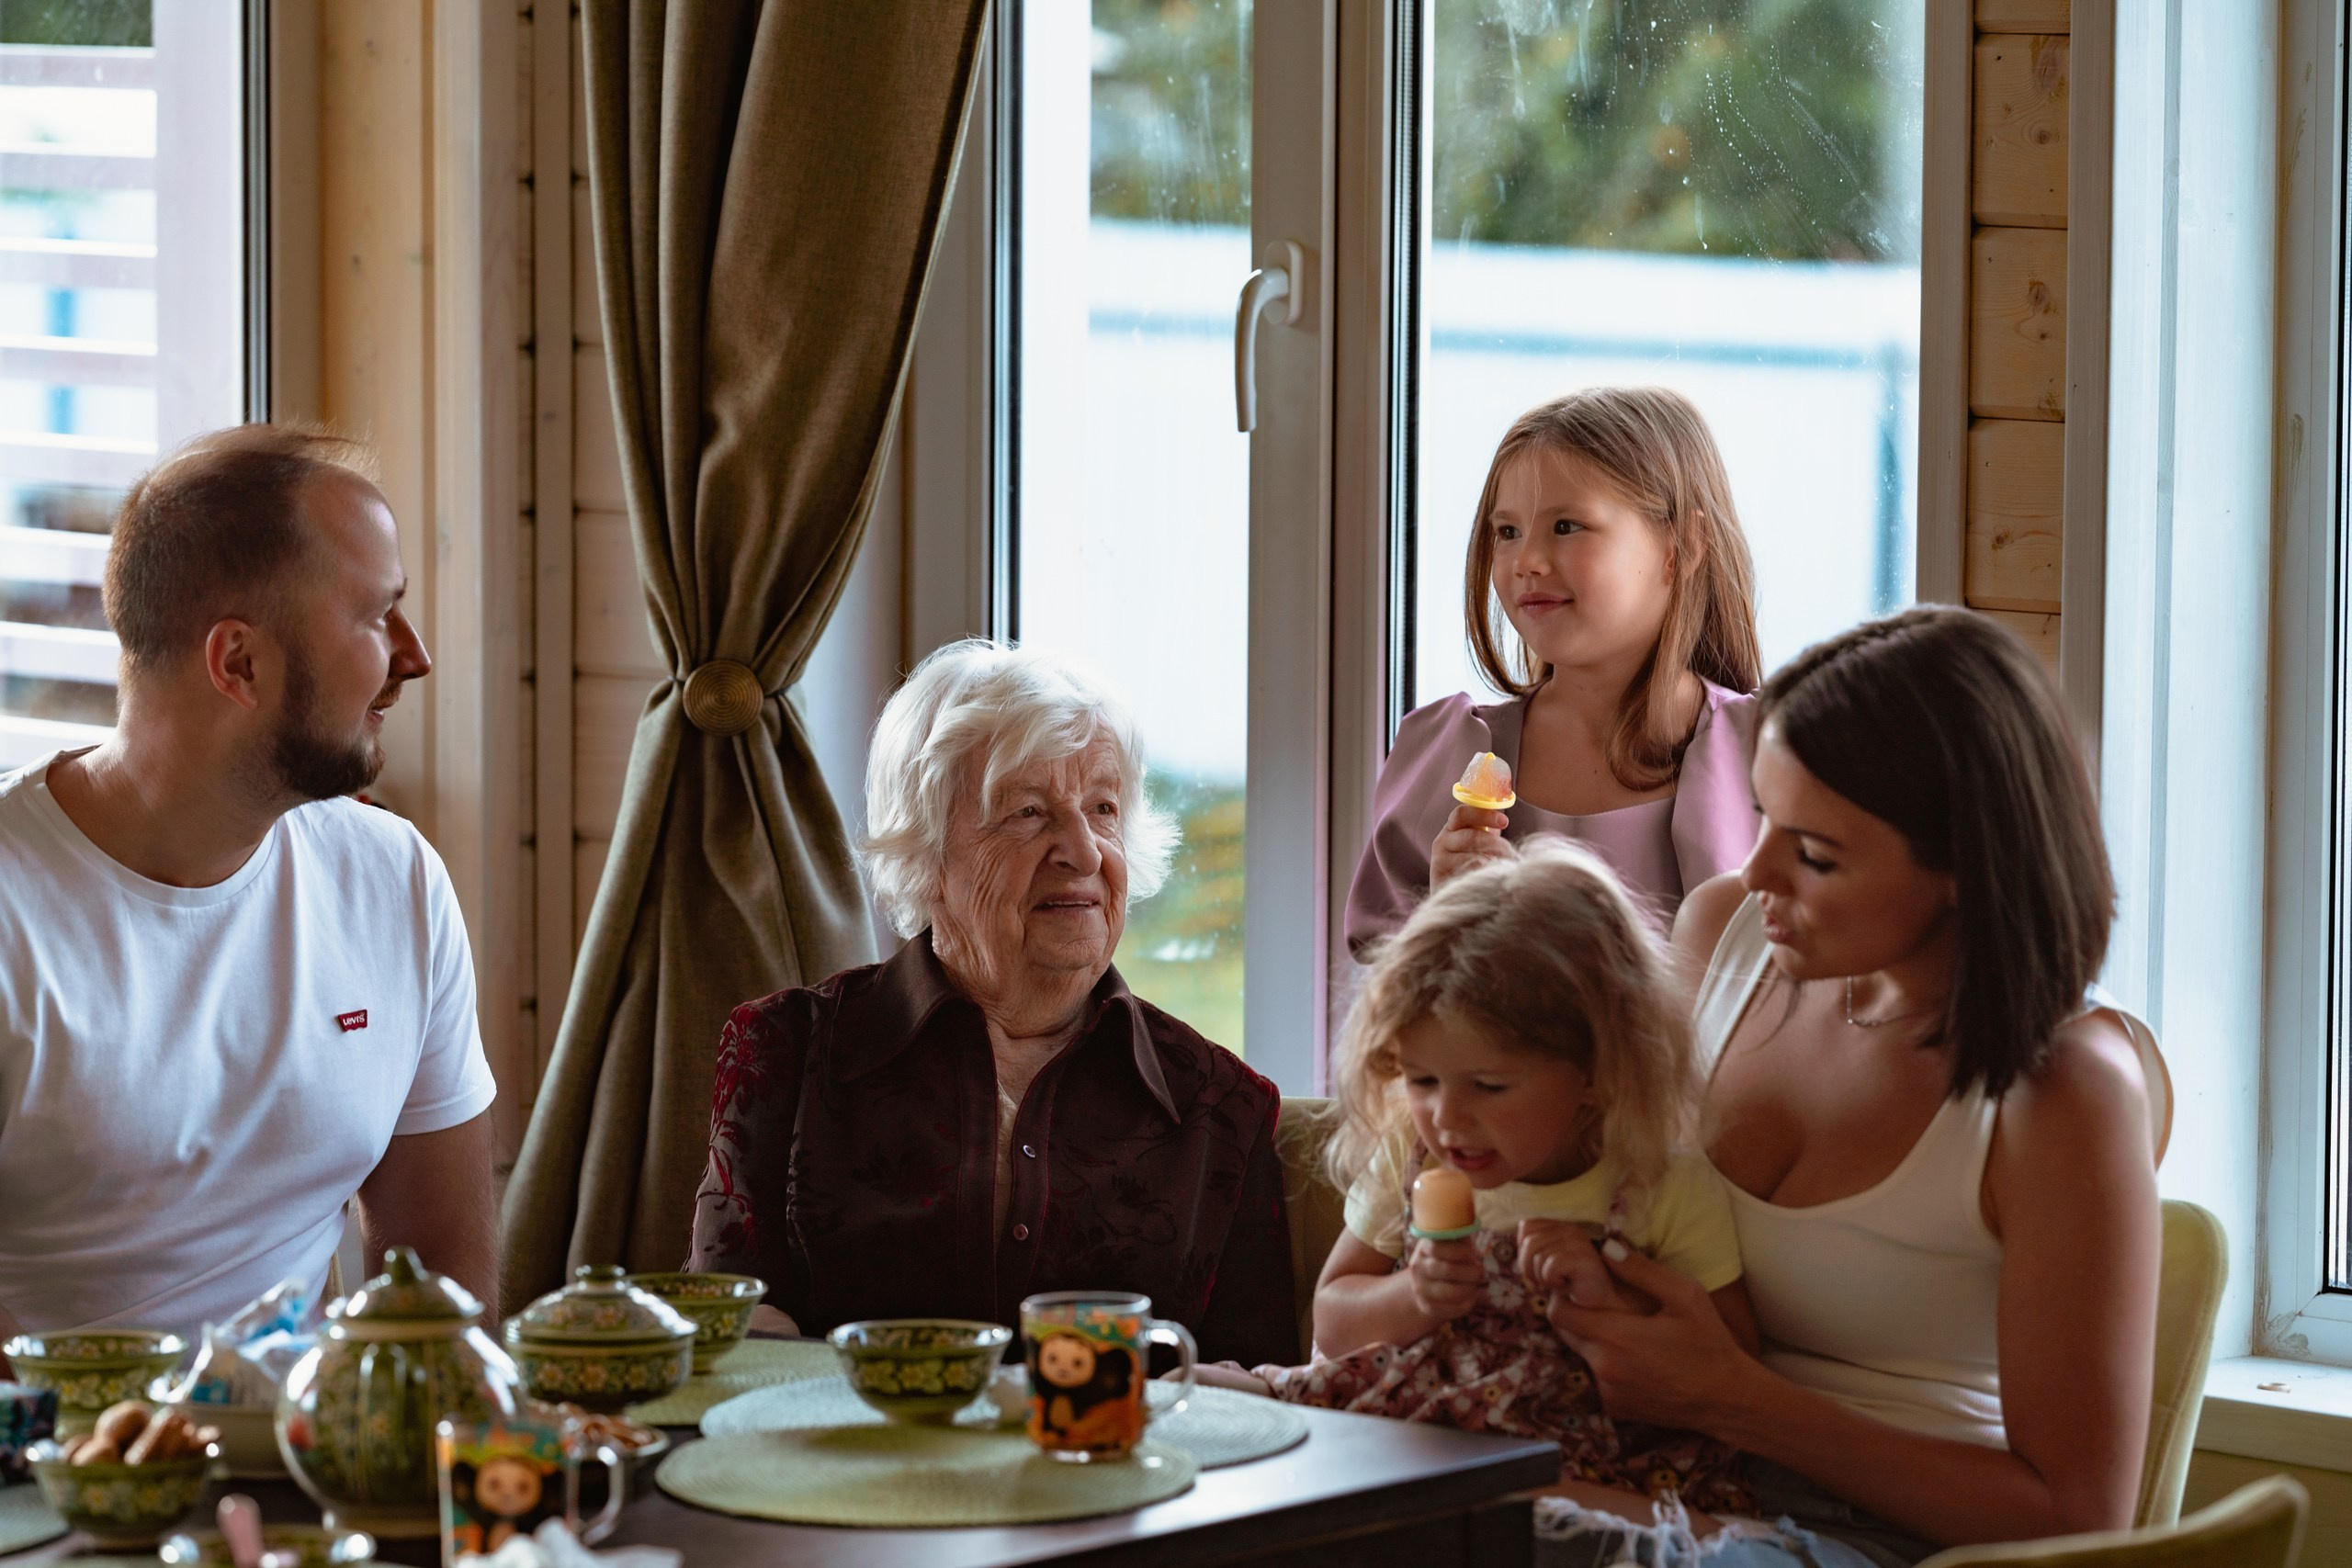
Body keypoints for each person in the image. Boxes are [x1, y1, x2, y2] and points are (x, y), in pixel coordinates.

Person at [1542, 607, 2170, 1567]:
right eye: (1762, 818)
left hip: (1888, 1539)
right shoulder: (1722, 941)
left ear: (1963, 862)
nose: (1754, 874)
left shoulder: (2061, 1092)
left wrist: (1727, 1397)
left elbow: (2076, 1517)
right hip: (1668, 1474)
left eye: (1816, 855)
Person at [0, 424, 501, 1354]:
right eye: (374, 616)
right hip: (51, 1479)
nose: (414, 653)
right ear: (237, 663)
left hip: (313, 1468)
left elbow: (443, 1284)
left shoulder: (393, 881)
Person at [684, 639, 1297, 1367]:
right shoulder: (785, 1052)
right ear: (923, 847)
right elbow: (725, 1346)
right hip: (853, 1470)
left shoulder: (1221, 1106)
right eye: (1028, 812)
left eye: (1103, 808)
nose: (1083, 849)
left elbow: (1261, 1395)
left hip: (1114, 1475)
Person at [1212, 838, 1759, 1521]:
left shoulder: (1656, 1183)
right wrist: (1415, 1295)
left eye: (1489, 1085)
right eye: (1422, 1079)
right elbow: (1334, 1317)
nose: (1446, 1117)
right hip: (1413, 1425)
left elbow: (1733, 1358)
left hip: (1578, 1459)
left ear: (1596, 1070)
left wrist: (1606, 1302)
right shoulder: (1413, 1157)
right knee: (1211, 1397)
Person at [1347, 388, 1763, 952]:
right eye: (1507, 532)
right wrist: (1449, 918)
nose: (1526, 563)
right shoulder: (1445, 759)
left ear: (1683, 545)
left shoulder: (1767, 761)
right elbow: (1395, 1006)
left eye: (1567, 526)